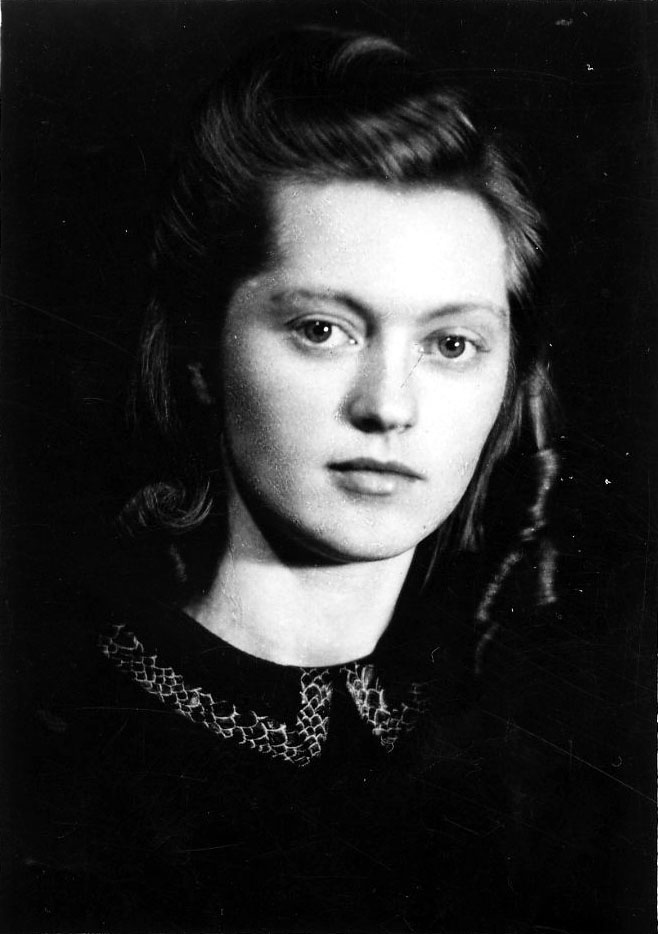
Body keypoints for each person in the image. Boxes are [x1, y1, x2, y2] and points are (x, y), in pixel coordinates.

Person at [9, 26, 576, 934]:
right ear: (202, 351)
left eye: (451, 344)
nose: (387, 406)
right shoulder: (59, 764)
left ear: (508, 379)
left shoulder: (536, 765)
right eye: (322, 330)